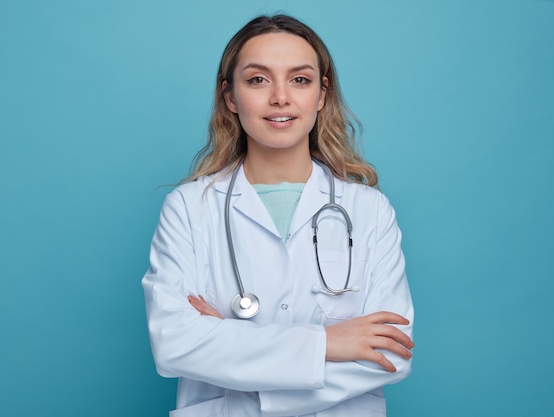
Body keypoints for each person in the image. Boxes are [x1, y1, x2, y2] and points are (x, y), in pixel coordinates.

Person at [142, 14, 414, 417]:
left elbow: (390, 353)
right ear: (230, 97)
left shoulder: (369, 211)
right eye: (258, 80)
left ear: (322, 95)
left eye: (300, 80)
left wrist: (230, 347)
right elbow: (174, 344)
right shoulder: (189, 208)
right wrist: (327, 343)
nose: (281, 97)